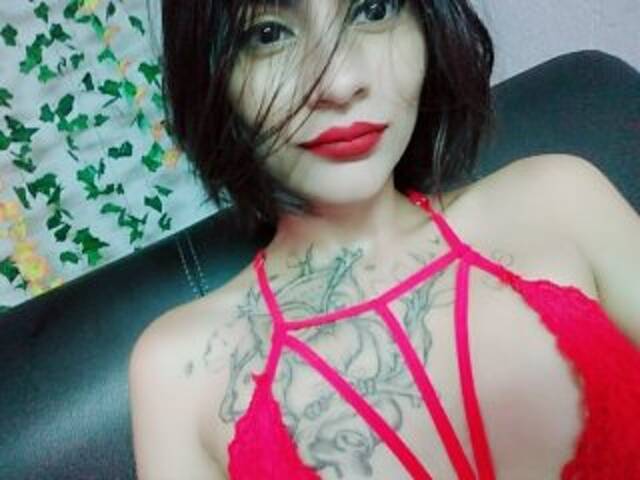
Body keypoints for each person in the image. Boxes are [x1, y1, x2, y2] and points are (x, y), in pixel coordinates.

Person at [129, 0, 640, 478]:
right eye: (268, 34)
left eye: (373, 10)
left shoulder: (560, 200)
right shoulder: (177, 371)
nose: (340, 82)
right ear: (213, 73)